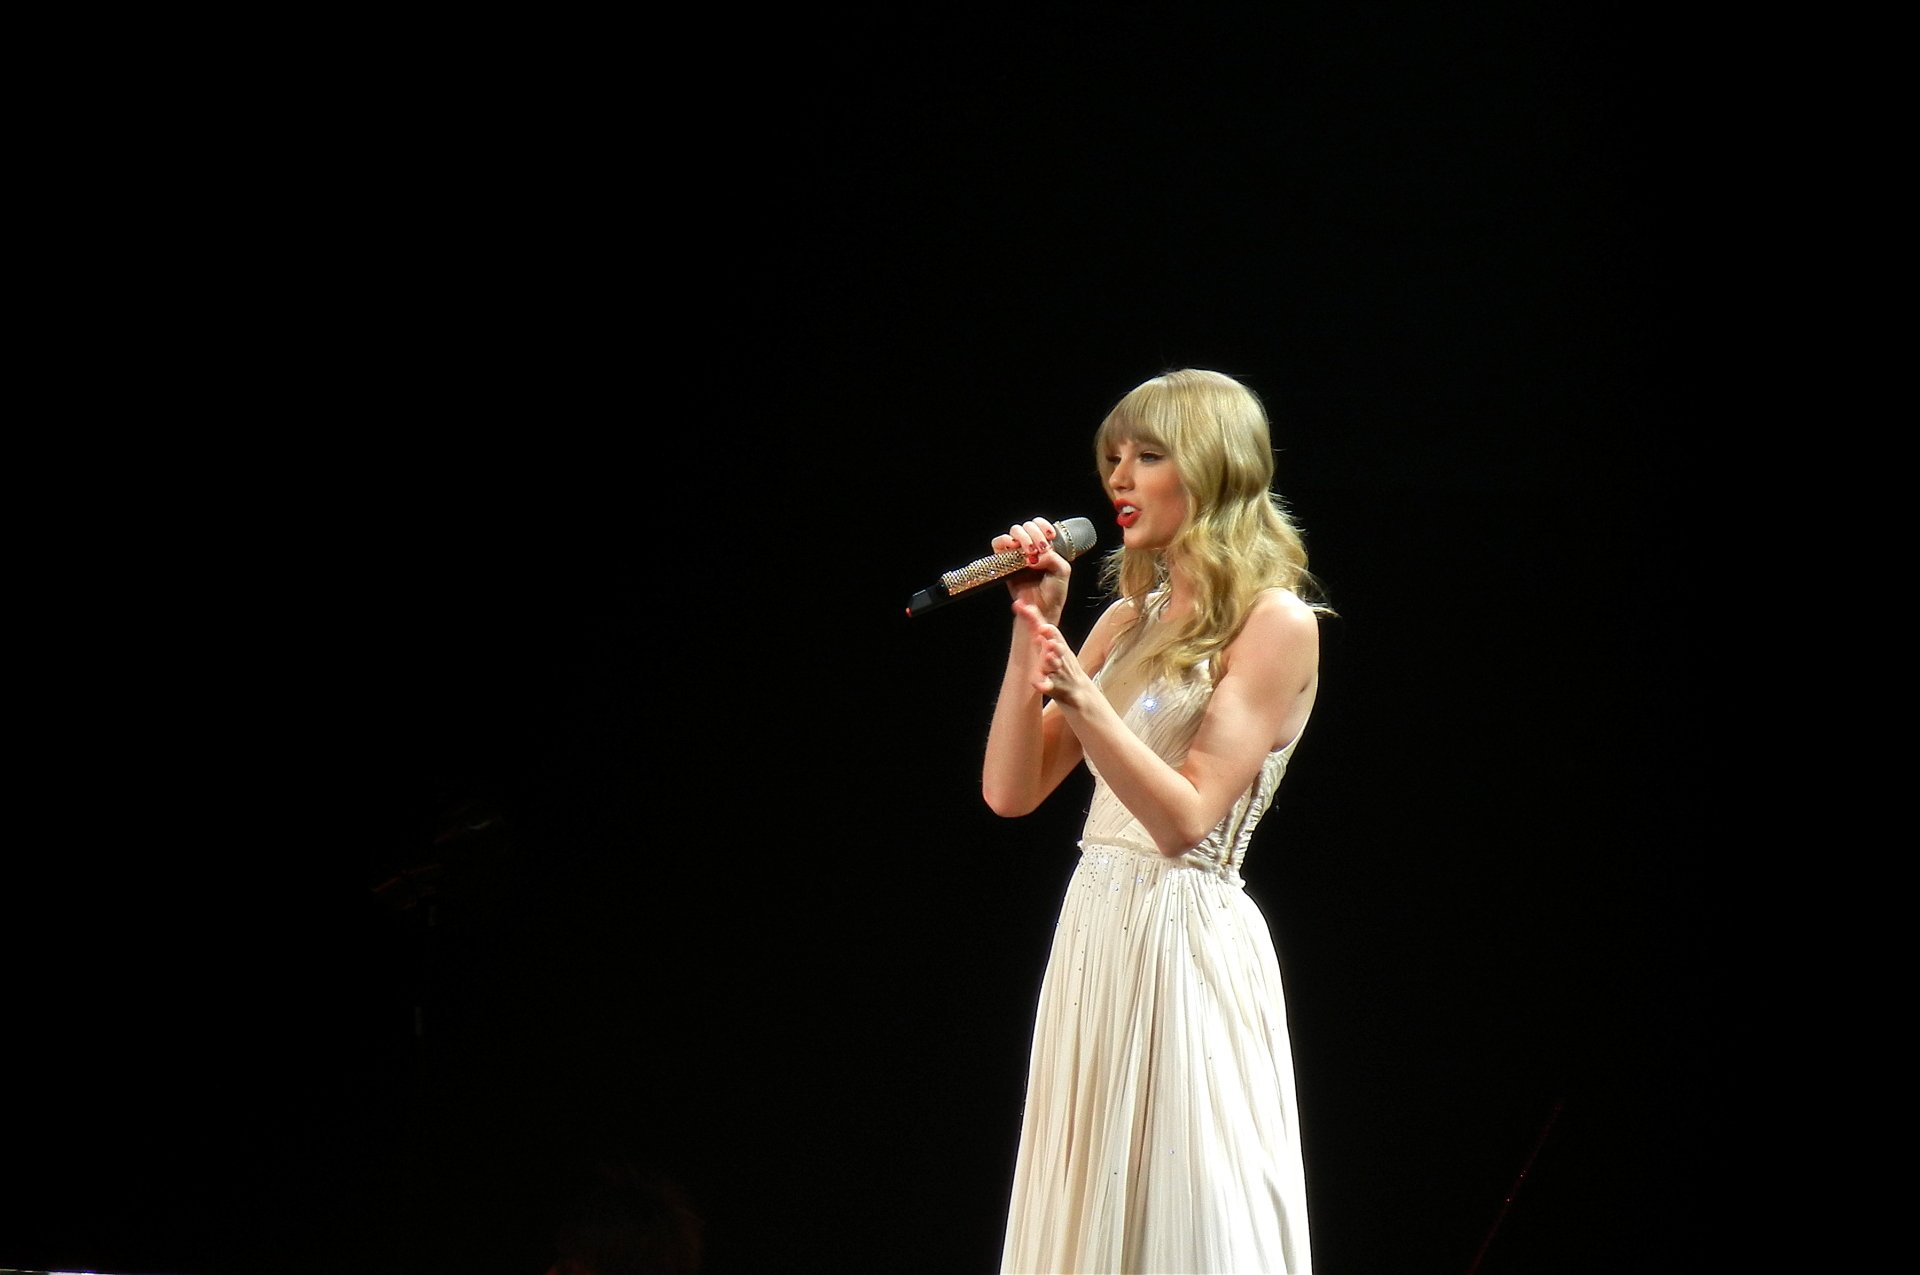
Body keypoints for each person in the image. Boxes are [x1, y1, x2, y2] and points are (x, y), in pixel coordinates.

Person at [981, 368, 1332, 1274]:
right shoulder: (1122, 623)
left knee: (1183, 1206)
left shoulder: (1276, 623)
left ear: (1211, 468)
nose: (1120, 479)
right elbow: (1011, 790)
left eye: (1148, 455)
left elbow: (1186, 817)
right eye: (1113, 458)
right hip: (1098, 924)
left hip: (1185, 934)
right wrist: (1035, 628)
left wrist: (1079, 695)